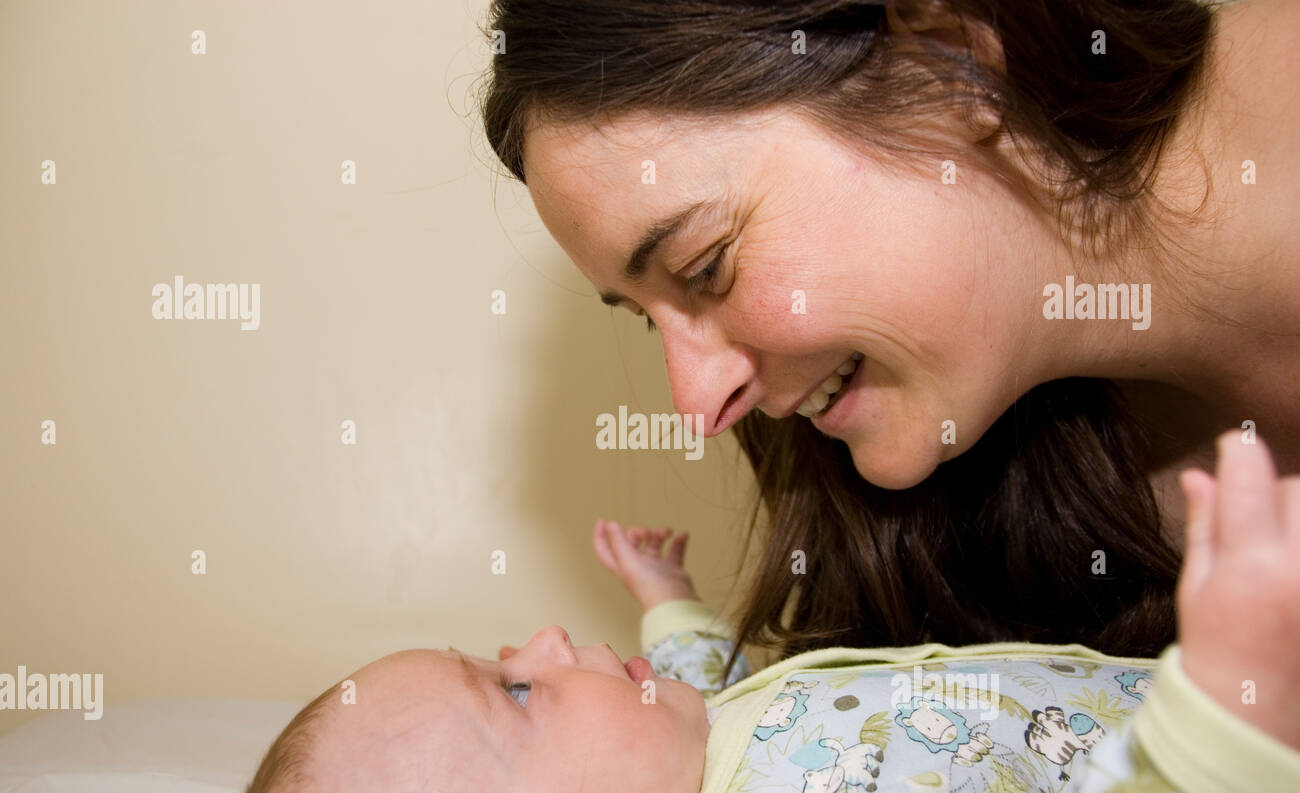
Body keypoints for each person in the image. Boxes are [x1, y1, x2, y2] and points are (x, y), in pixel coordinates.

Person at [479, 0, 1300, 666]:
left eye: (707, 268)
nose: (698, 407)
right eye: (647, 319)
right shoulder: (992, 504)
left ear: (950, 60)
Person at [215, 434, 1299, 793]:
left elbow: (698, 688)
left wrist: (668, 602)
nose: (539, 639)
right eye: (512, 691)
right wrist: (1224, 740)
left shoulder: (676, 762)